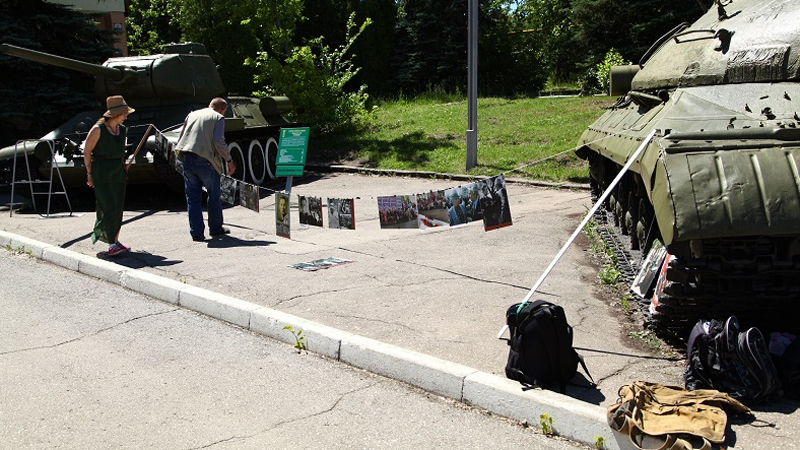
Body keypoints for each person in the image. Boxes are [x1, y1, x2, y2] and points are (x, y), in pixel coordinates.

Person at [174, 97, 236, 241]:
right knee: (213, 195)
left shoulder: (192, 114)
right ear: (222, 109)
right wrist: (229, 160)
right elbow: (218, 142)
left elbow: (182, 136)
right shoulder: (218, 117)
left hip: (187, 158)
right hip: (206, 160)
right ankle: (215, 229)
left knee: (192, 198)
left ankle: (196, 233)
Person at [83, 95, 134, 256]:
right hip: (102, 170)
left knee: (118, 206)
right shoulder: (98, 129)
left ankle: (115, 241)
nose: (126, 116)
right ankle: (110, 242)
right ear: (116, 114)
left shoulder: (122, 129)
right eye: (124, 113)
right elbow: (87, 151)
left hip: (118, 169)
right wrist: (89, 173)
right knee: (108, 206)